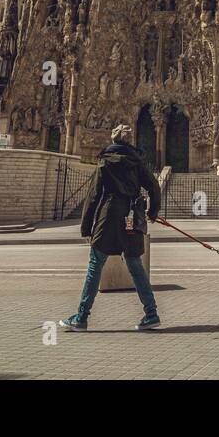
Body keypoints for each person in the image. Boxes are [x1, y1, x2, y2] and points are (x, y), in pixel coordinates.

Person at [60, 124, 162, 332]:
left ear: (113, 141)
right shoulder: (137, 162)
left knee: (95, 264)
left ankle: (81, 316)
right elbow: (154, 186)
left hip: (110, 215)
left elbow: (93, 196)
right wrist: (152, 212)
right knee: (134, 264)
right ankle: (151, 314)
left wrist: (86, 227)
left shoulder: (105, 161)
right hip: (131, 214)